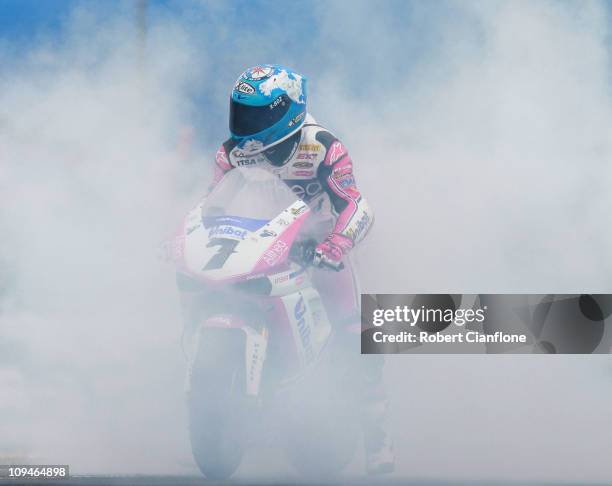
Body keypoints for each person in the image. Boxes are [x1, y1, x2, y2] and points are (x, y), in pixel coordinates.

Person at [198, 64, 393, 475]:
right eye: (241, 112)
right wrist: (190, 240)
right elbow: (210, 207)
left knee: (354, 331)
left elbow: (357, 205)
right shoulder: (231, 152)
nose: (245, 125)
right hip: (260, 247)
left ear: (285, 112)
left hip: (319, 249)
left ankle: (379, 441)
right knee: (208, 291)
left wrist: (335, 245)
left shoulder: (323, 145)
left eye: (256, 115)